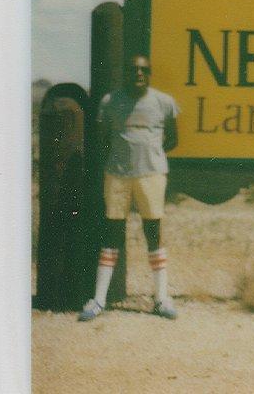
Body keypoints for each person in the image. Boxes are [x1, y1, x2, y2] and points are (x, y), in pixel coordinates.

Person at [78, 54, 180, 321]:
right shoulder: (110, 102)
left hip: (152, 175)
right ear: (126, 73)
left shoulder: (164, 102)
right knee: (111, 233)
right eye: (133, 69)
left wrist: (149, 155)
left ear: (150, 73)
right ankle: (99, 299)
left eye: (143, 70)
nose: (138, 74)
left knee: (153, 232)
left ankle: (161, 299)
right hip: (117, 175)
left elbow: (172, 139)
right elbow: (102, 140)